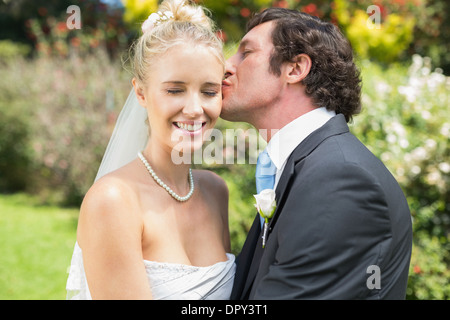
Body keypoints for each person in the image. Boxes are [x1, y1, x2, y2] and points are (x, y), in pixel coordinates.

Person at [222, 8, 412, 299]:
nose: (226, 66)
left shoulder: (340, 179)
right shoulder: (308, 165)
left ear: (296, 69)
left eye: (245, 53)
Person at [66, 0, 235, 300]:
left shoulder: (215, 191)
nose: (195, 109)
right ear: (141, 93)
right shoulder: (114, 201)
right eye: (174, 90)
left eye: (209, 91)